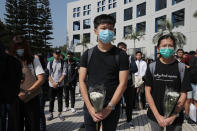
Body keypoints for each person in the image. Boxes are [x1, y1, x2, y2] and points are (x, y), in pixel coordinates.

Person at [79, 14, 129, 131]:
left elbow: (123, 84)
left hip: (111, 106)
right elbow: (81, 80)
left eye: (110, 29)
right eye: (103, 28)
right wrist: (90, 107)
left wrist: (109, 107)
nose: (107, 31)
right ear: (95, 31)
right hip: (90, 106)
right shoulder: (87, 54)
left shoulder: (121, 55)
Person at [144, 34, 192, 131]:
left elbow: (183, 94)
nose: (167, 48)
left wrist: (174, 115)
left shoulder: (182, 68)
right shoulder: (151, 67)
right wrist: (157, 115)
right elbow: (148, 91)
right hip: (154, 115)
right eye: (164, 46)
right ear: (158, 48)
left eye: (170, 46)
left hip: (175, 116)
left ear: (174, 48)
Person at [9, 35, 45, 131]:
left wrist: (28, 91)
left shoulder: (34, 60)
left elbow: (41, 78)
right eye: (17, 47)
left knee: (33, 126)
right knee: (15, 126)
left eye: (21, 47)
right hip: (15, 99)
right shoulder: (9, 61)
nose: (19, 49)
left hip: (32, 97)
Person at [0, 40, 22, 131]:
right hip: (12, 97)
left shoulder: (15, 62)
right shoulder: (16, 62)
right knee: (11, 120)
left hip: (9, 97)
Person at [117, 42, 138, 129]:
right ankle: (115, 120)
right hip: (117, 84)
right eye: (120, 48)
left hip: (129, 84)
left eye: (124, 48)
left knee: (129, 103)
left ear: (126, 49)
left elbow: (134, 68)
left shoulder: (130, 57)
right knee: (116, 102)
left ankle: (129, 120)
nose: (122, 49)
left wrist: (123, 72)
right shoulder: (115, 57)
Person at [47, 49, 66, 121]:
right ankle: (50, 114)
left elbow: (64, 74)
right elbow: (48, 74)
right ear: (53, 54)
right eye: (56, 53)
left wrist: (57, 83)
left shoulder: (63, 63)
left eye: (59, 53)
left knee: (60, 100)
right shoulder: (50, 63)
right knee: (51, 100)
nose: (57, 55)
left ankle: (60, 114)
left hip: (60, 85)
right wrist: (53, 83)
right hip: (52, 85)